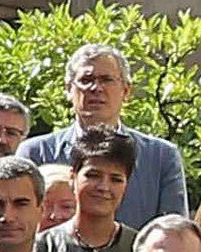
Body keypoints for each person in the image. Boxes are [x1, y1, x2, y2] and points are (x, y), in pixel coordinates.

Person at [22, 45, 189, 226]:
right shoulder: (36, 153)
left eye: (106, 80)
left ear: (126, 91)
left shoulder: (161, 157)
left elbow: (175, 231)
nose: (96, 88)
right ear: (68, 89)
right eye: (86, 80)